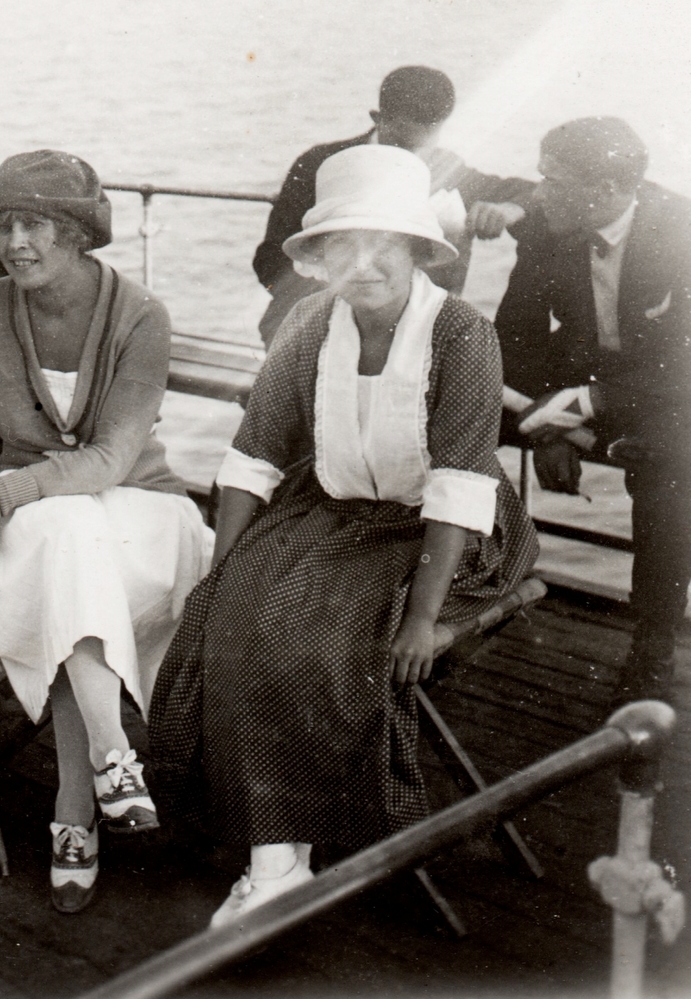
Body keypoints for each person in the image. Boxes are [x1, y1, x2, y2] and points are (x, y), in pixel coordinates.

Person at [149, 144, 538, 930]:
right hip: (336, 515)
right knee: (226, 618)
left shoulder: (462, 333)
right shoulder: (306, 322)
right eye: (343, 248)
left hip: (448, 537)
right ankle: (275, 847)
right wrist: (224, 571)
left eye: (383, 246)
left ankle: (287, 855)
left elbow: (460, 486)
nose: (362, 265)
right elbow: (254, 454)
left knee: (315, 640)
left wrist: (426, 618)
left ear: (418, 251)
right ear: (320, 258)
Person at [0, 150, 214, 914]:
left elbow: (112, 457)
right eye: (3, 224)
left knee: (74, 546)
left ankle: (77, 809)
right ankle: (110, 765)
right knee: (70, 537)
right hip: (46, 524)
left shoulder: (140, 314)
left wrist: (2, 492)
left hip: (141, 511)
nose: (17, 243)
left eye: (35, 224)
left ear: (77, 232)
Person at [494, 117, 691, 707]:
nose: (537, 193)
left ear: (604, 191)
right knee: (454, 414)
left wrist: (587, 406)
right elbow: (514, 339)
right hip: (577, 382)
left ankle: (654, 644)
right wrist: (544, 424)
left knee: (671, 470)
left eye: (552, 181)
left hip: (675, 395)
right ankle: (470, 581)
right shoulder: (549, 227)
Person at [252, 65, 536, 345]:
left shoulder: (448, 170)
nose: (407, 161)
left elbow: (530, 192)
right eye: (400, 145)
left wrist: (509, 209)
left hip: (409, 331)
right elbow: (269, 259)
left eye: (420, 149)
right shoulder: (319, 164)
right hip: (317, 316)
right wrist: (345, 304)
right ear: (378, 117)